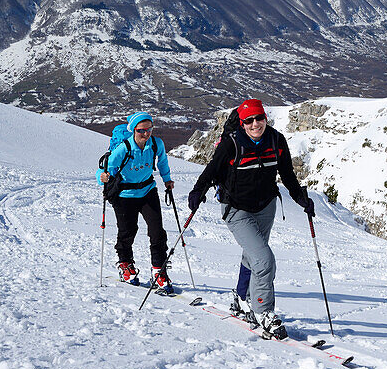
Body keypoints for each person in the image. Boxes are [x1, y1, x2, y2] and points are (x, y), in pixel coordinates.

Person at [187, 99, 314, 340]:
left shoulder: (276, 140)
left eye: (259, 118)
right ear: (243, 124)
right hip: (236, 209)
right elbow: (211, 171)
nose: (256, 124)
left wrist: (301, 199)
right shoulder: (232, 144)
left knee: (253, 255)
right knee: (264, 259)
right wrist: (197, 191)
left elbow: (287, 174)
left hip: (266, 206)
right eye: (249, 120)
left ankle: (241, 297)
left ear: (266, 118)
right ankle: (263, 313)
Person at [100, 112, 175, 291]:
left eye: (149, 129)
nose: (146, 134)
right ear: (134, 130)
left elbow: (163, 162)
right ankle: (125, 264)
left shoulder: (156, 144)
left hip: (148, 191)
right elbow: (106, 166)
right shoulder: (124, 148)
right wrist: (102, 178)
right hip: (125, 196)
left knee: (157, 231)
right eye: (142, 130)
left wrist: (167, 180)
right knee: (128, 231)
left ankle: (159, 270)